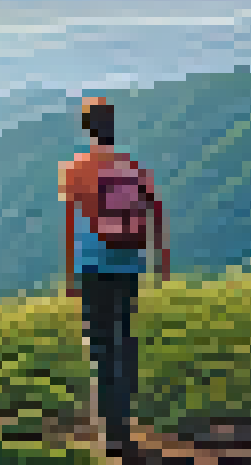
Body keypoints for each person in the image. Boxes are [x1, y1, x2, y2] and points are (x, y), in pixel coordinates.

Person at [61, 97, 170, 463]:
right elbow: (155, 210)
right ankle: (124, 423)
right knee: (123, 341)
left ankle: (113, 434)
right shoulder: (132, 167)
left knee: (101, 348)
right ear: (112, 127)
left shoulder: (75, 169)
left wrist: (70, 273)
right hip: (128, 261)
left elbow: (69, 225)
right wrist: (160, 258)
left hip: (93, 265)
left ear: (87, 128)